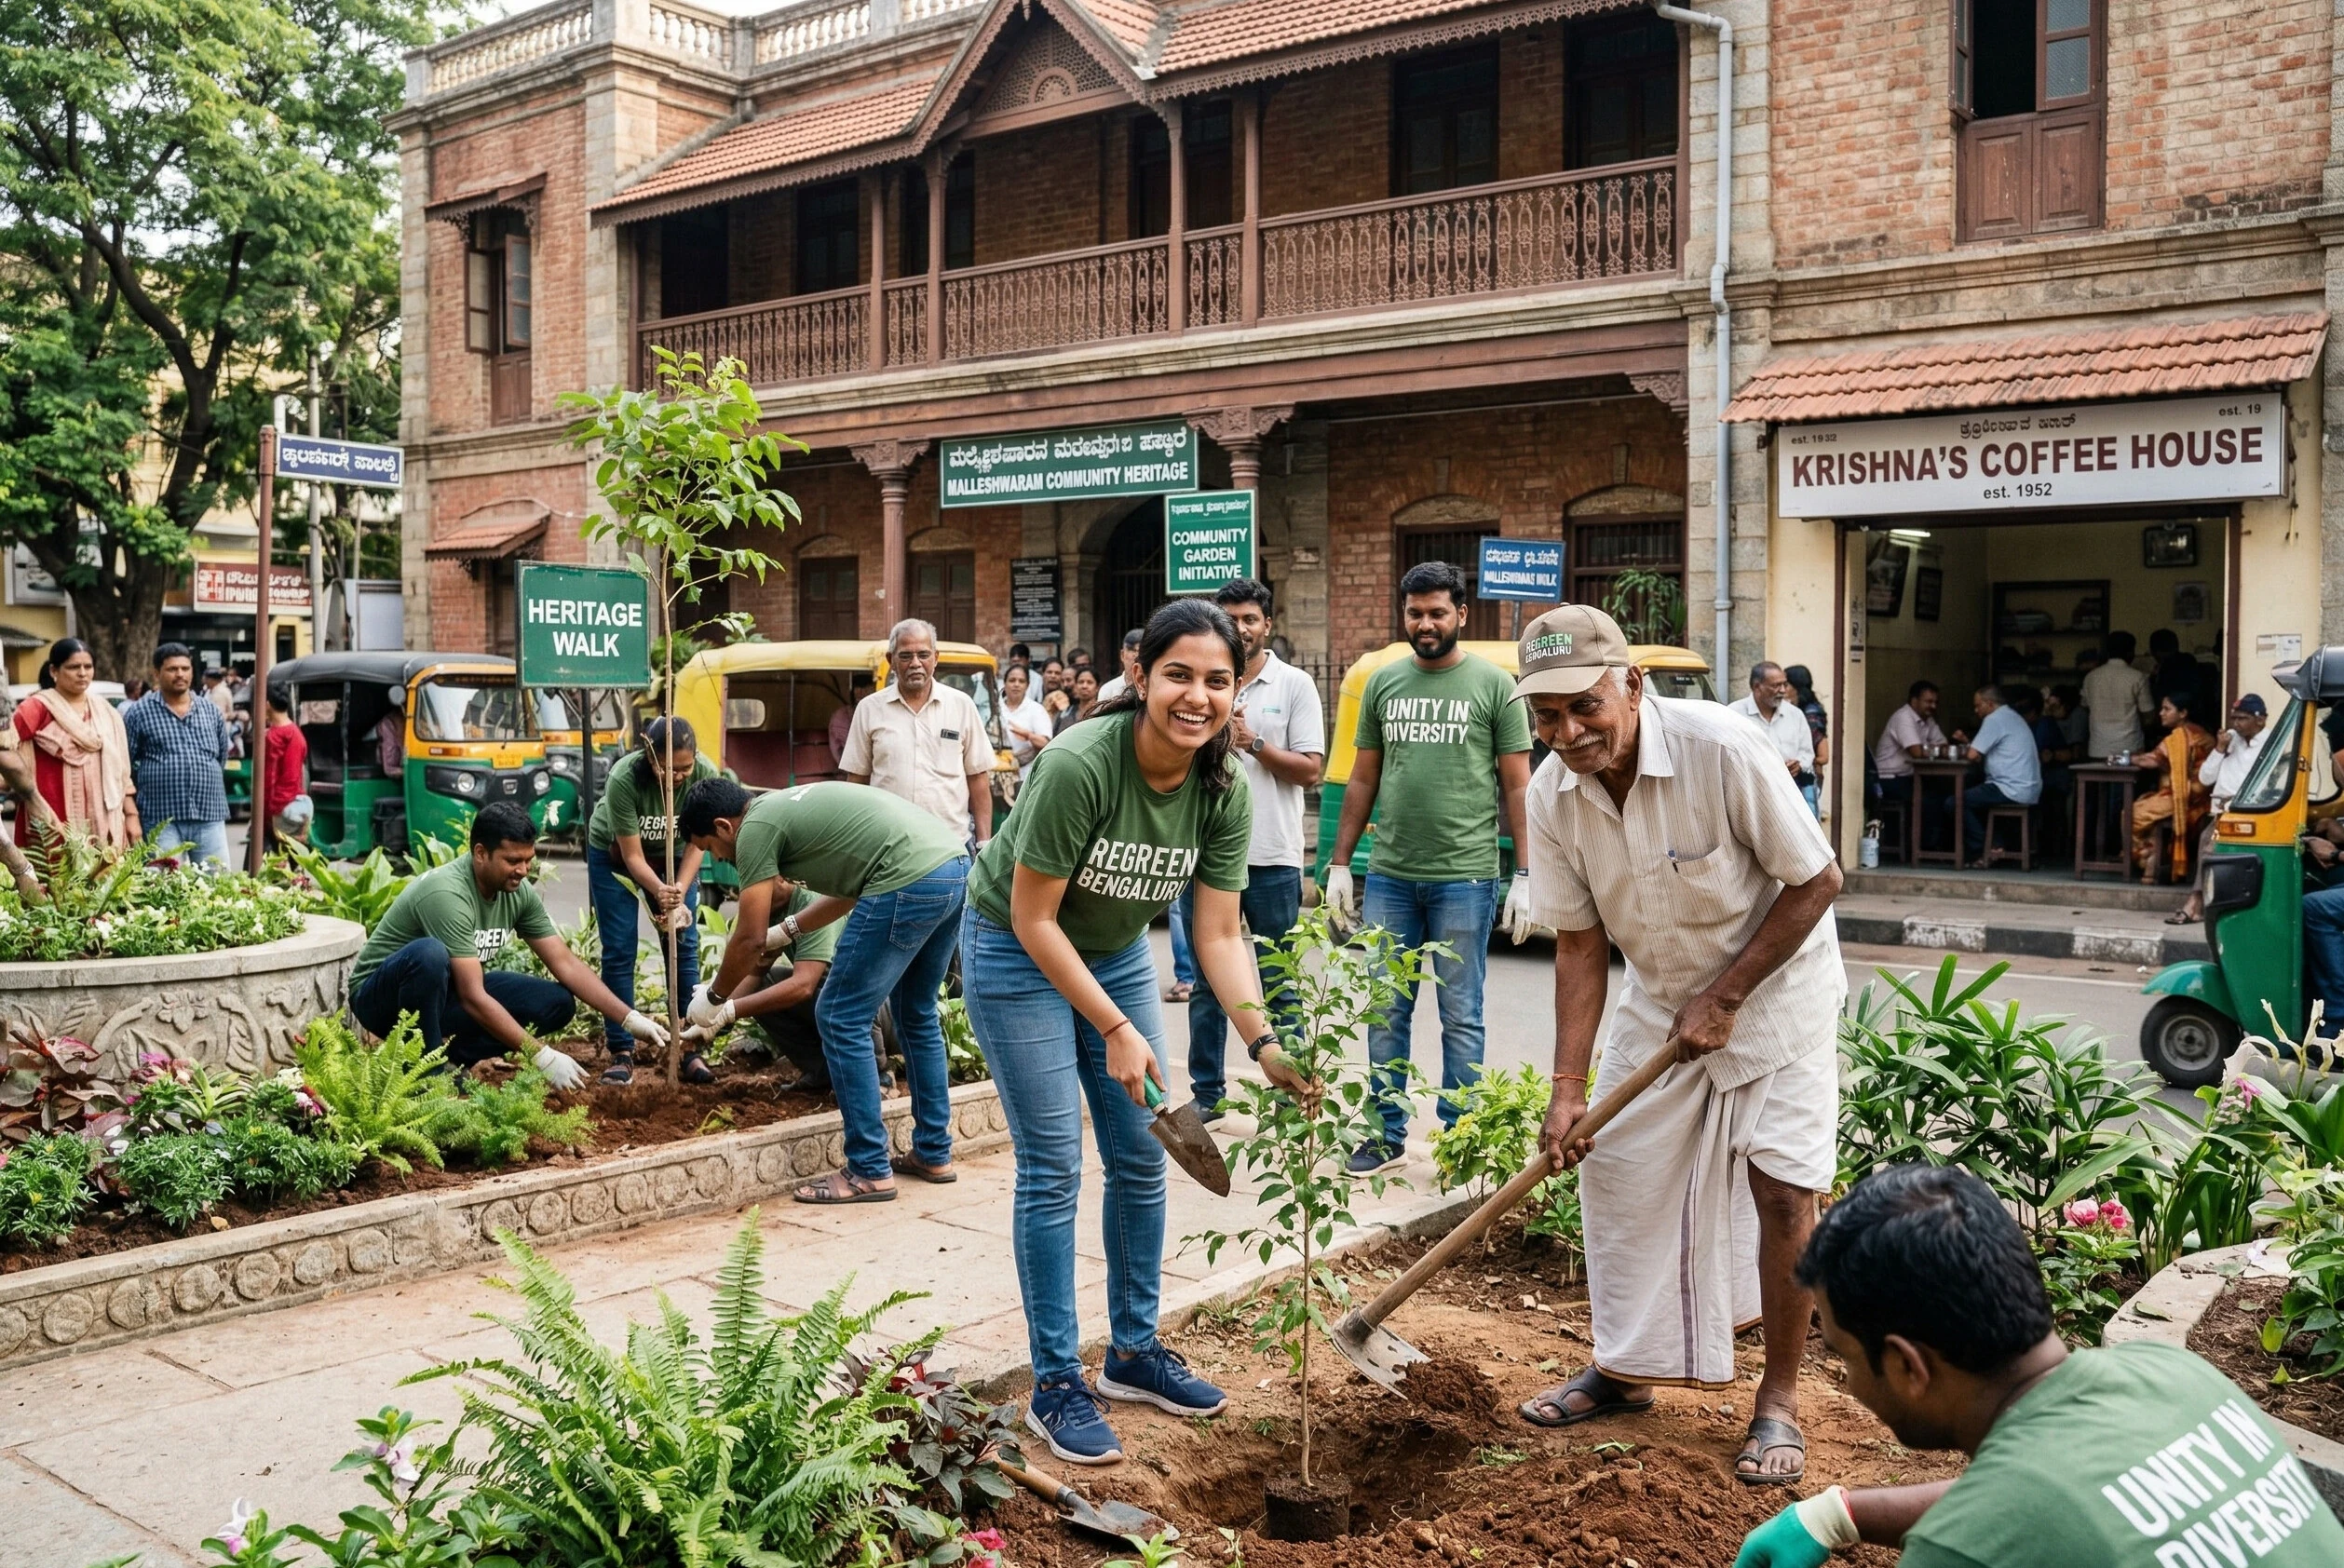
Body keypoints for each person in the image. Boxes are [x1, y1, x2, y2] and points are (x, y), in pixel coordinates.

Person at [956, 598, 1314, 1466]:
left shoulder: (1221, 783)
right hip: (1013, 950)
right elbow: (1035, 918)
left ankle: (1132, 1351)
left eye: (1217, 681)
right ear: (1141, 678)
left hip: (1112, 951)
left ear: (1239, 691)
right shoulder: (1081, 763)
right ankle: (1054, 1382)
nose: (1197, 697)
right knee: (1053, 1166)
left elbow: (1220, 933)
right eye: (1178, 676)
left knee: (1142, 1153)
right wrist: (1118, 1027)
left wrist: (1263, 1044)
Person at [1513, 603, 1843, 1486]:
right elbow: (1580, 945)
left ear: (1631, 684)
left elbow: (1817, 879)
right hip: (1660, 1002)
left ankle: (1776, 1400)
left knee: (1782, 1192)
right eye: (1545, 716)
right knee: (1612, 1163)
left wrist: (1729, 993)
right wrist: (1566, 1087)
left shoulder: (1720, 749)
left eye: (1584, 706)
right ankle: (1623, 1371)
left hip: (1778, 1000)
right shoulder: (1549, 794)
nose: (1567, 732)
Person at [1731, 1164, 2343, 1568]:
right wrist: (1838, 1514)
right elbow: (2066, 1498)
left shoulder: (1964, 1551)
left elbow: (2010, 1517)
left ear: (1906, 1366)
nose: (1847, 1381)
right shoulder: (2169, 1375)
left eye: (1842, 1355)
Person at [1325, 560, 1534, 1171]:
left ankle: (1458, 1138)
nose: (1424, 623)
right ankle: (1385, 1134)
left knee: (1460, 1015)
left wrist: (1525, 872)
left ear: (1460, 615)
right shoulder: (1384, 684)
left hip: (1464, 879)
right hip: (1390, 875)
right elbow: (1363, 776)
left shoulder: (1494, 686)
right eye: (1414, 612)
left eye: (1436, 612)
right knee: (1385, 1010)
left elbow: (1516, 787)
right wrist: (1341, 863)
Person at [681, 775, 969, 1202]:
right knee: (916, 1011)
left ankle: (868, 1169)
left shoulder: (754, 830)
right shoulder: (782, 805)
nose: (720, 859)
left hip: (908, 878)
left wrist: (715, 999)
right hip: (951, 865)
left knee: (839, 1014)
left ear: (724, 826)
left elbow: (748, 938)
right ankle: (933, 1152)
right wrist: (791, 929)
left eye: (711, 848)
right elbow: (853, 888)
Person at [346, 801, 668, 1083]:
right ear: (481, 854)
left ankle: (454, 1060)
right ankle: (426, 1077)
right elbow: (473, 997)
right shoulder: (447, 894)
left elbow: (565, 963)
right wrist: (540, 1055)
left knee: (555, 1003)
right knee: (429, 955)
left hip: (442, 993)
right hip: (381, 999)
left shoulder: (517, 893)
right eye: (513, 860)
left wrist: (628, 1018)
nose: (523, 870)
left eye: (528, 860)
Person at [1175, 578, 1323, 1116]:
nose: (1239, 628)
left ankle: (1292, 1096)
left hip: (1272, 855)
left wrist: (1253, 743)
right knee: (1207, 984)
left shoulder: (1294, 685)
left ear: (1268, 624)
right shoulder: (1205, 681)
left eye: (1249, 619)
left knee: (1280, 979)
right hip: (1205, 855)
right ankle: (1206, 1095)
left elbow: (1311, 771)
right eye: (1229, 618)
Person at [586, 717, 717, 1085]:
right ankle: (622, 1050)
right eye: (667, 768)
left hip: (676, 859)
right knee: (620, 948)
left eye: (684, 769)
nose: (677, 777)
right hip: (617, 858)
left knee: (683, 943)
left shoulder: (703, 773)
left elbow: (697, 843)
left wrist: (678, 891)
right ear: (649, 755)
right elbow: (632, 858)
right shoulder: (624, 779)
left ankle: (688, 1047)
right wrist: (660, 889)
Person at [840, 619, 996, 845]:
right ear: (890, 660)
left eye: (923, 655)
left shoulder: (961, 705)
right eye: (905, 656)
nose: (915, 663)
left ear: (936, 658)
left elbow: (978, 778)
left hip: (950, 845)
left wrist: (984, 844)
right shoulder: (869, 709)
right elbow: (857, 780)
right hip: (886, 845)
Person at [9, 637, 136, 851]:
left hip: (102, 816)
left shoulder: (105, 712)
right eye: (73, 667)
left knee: (103, 878)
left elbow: (121, 772)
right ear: (54, 671)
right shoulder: (36, 708)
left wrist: (131, 814)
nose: (82, 673)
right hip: (50, 815)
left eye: (88, 667)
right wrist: (27, 793)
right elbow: (6, 749)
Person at [122, 642, 234, 866]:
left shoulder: (210, 710)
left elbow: (220, 757)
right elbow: (124, 766)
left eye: (185, 668)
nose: (180, 674)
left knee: (218, 887)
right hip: (160, 819)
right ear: (157, 673)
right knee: (162, 889)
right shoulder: (139, 713)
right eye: (172, 669)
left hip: (209, 814)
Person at [2130, 692, 2215, 885]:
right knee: (2147, 803)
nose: (2161, 713)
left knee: (2133, 813)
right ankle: (2155, 856)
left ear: (2183, 713)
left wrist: (2128, 759)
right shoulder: (2202, 734)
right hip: (2202, 798)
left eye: (2167, 709)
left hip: (2185, 797)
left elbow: (2150, 760)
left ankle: (2148, 857)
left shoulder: (2180, 738)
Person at [1959, 684, 2042, 860]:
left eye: (1978, 705)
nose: (1976, 710)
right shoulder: (2013, 716)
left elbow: (1973, 755)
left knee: (1956, 802)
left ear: (1989, 704)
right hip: (2028, 788)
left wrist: (1964, 747)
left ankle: (1987, 848)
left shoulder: (1994, 719)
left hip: (2009, 788)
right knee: (1974, 797)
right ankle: (1995, 843)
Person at [1732, 661, 1820, 818]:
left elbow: (1807, 753)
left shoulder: (1795, 715)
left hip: (1789, 796)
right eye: (1776, 686)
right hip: (1750, 797)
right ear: (1757, 687)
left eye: (1784, 685)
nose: (1782, 691)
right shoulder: (1734, 713)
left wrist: (1798, 765)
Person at [1871, 680, 1948, 823]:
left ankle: (1927, 843)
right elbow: (1917, 752)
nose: (1933, 706)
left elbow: (1944, 745)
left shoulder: (1928, 720)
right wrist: (1933, 749)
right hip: (1889, 779)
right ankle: (1921, 844)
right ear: (1914, 701)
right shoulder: (1903, 717)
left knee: (1943, 793)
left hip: (1908, 777)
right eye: (1929, 701)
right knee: (1928, 800)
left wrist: (1929, 749)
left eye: (1935, 702)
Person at [2083, 631, 2156, 758]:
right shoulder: (2137, 677)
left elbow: (2085, 707)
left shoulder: (2091, 677)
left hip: (2098, 749)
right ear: (2130, 652)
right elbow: (2149, 715)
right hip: (2130, 749)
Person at [261, 683, 312, 849]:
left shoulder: (279, 736)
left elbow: (286, 779)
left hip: (280, 810)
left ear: (267, 704)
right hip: (283, 807)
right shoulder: (292, 733)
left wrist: (270, 811)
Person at [999, 662, 1055, 783]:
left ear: (1027, 685)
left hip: (1027, 774)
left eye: (1021, 681)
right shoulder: (995, 708)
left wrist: (1028, 735)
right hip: (998, 773)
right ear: (1004, 683)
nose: (1016, 685)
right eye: (1012, 680)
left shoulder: (1036, 710)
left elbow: (1046, 743)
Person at [1782, 663, 1830, 794]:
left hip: (1806, 782)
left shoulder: (1811, 714)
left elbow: (1824, 756)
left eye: (1785, 685)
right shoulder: (1794, 710)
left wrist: (1799, 762)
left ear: (1796, 687)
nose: (1781, 690)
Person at [1095, 629, 1143, 705]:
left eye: (1141, 651)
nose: (1137, 655)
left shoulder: (1154, 687)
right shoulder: (1108, 690)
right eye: (1133, 650)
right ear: (1122, 655)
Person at [1058, 667, 1101, 733]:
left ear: (1097, 687)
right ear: (1075, 686)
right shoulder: (1067, 713)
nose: (1084, 686)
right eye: (1081, 682)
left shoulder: (1102, 712)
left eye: (1089, 682)